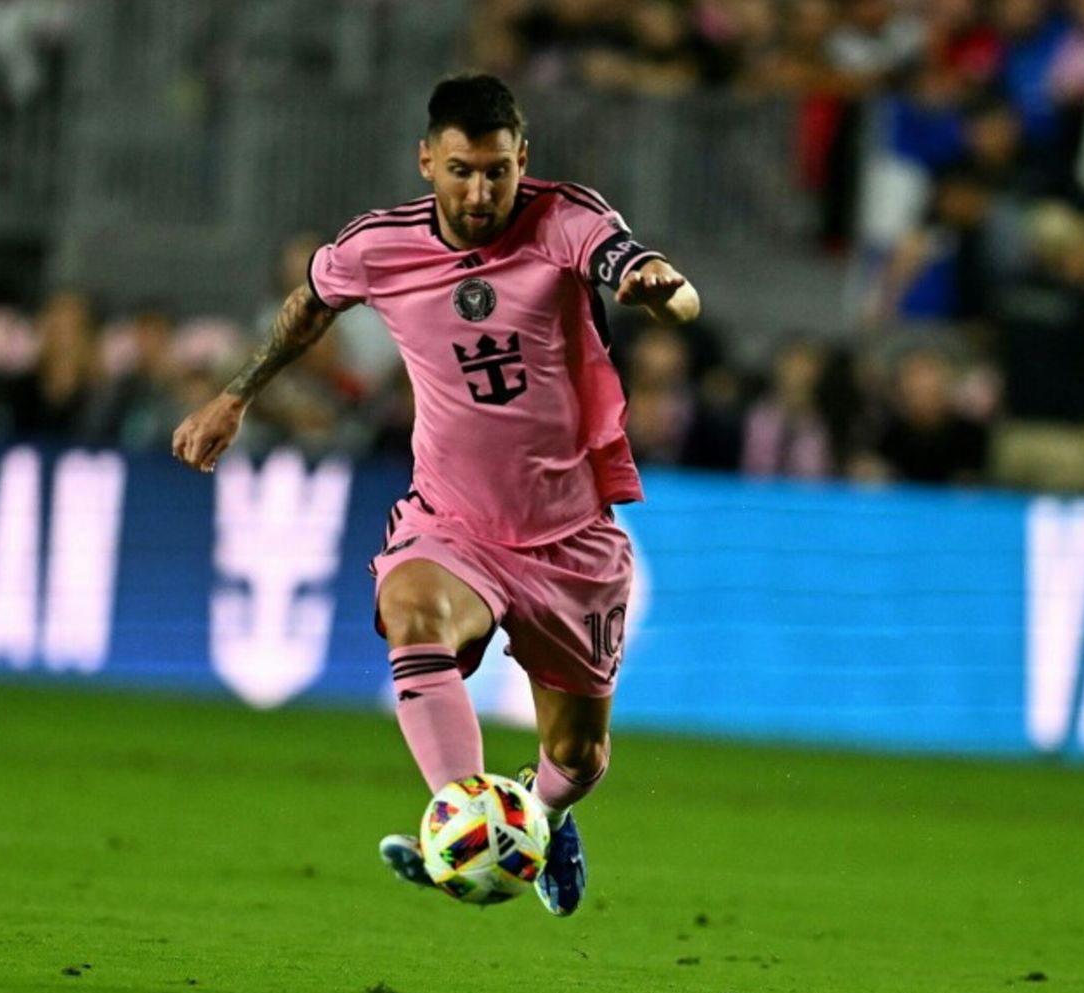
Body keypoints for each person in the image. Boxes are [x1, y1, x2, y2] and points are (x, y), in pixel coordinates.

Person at [172, 73, 700, 917]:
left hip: (570, 538)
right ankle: (469, 825)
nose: (482, 190)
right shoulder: (379, 247)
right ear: (427, 161)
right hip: (452, 523)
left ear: (523, 159)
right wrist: (237, 394)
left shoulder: (564, 217)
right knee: (413, 611)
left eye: (498, 170)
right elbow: (310, 309)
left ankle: (543, 816)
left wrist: (662, 291)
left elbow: (641, 266)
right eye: (461, 169)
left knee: (581, 755)